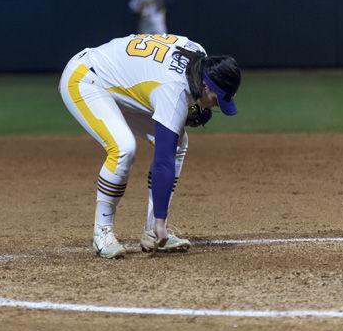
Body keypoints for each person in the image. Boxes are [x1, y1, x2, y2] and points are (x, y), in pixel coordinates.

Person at [59, 34, 241, 259]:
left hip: (121, 85)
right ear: (205, 85)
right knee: (124, 148)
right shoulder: (174, 89)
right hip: (85, 78)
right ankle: (102, 232)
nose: (214, 104)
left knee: (178, 143)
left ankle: (153, 233)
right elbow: (163, 160)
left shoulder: (200, 57)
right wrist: (162, 219)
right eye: (216, 99)